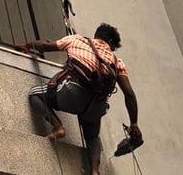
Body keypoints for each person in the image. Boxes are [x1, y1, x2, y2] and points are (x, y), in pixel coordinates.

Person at [16, 23, 142, 175]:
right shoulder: (117, 62)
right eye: (113, 47)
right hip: (96, 106)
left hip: (71, 93)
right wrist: (134, 125)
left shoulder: (78, 40)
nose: (112, 50)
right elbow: (129, 93)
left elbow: (46, 45)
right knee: (92, 136)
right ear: (110, 42)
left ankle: (58, 127)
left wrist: (27, 45)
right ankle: (95, 171)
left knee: (35, 94)